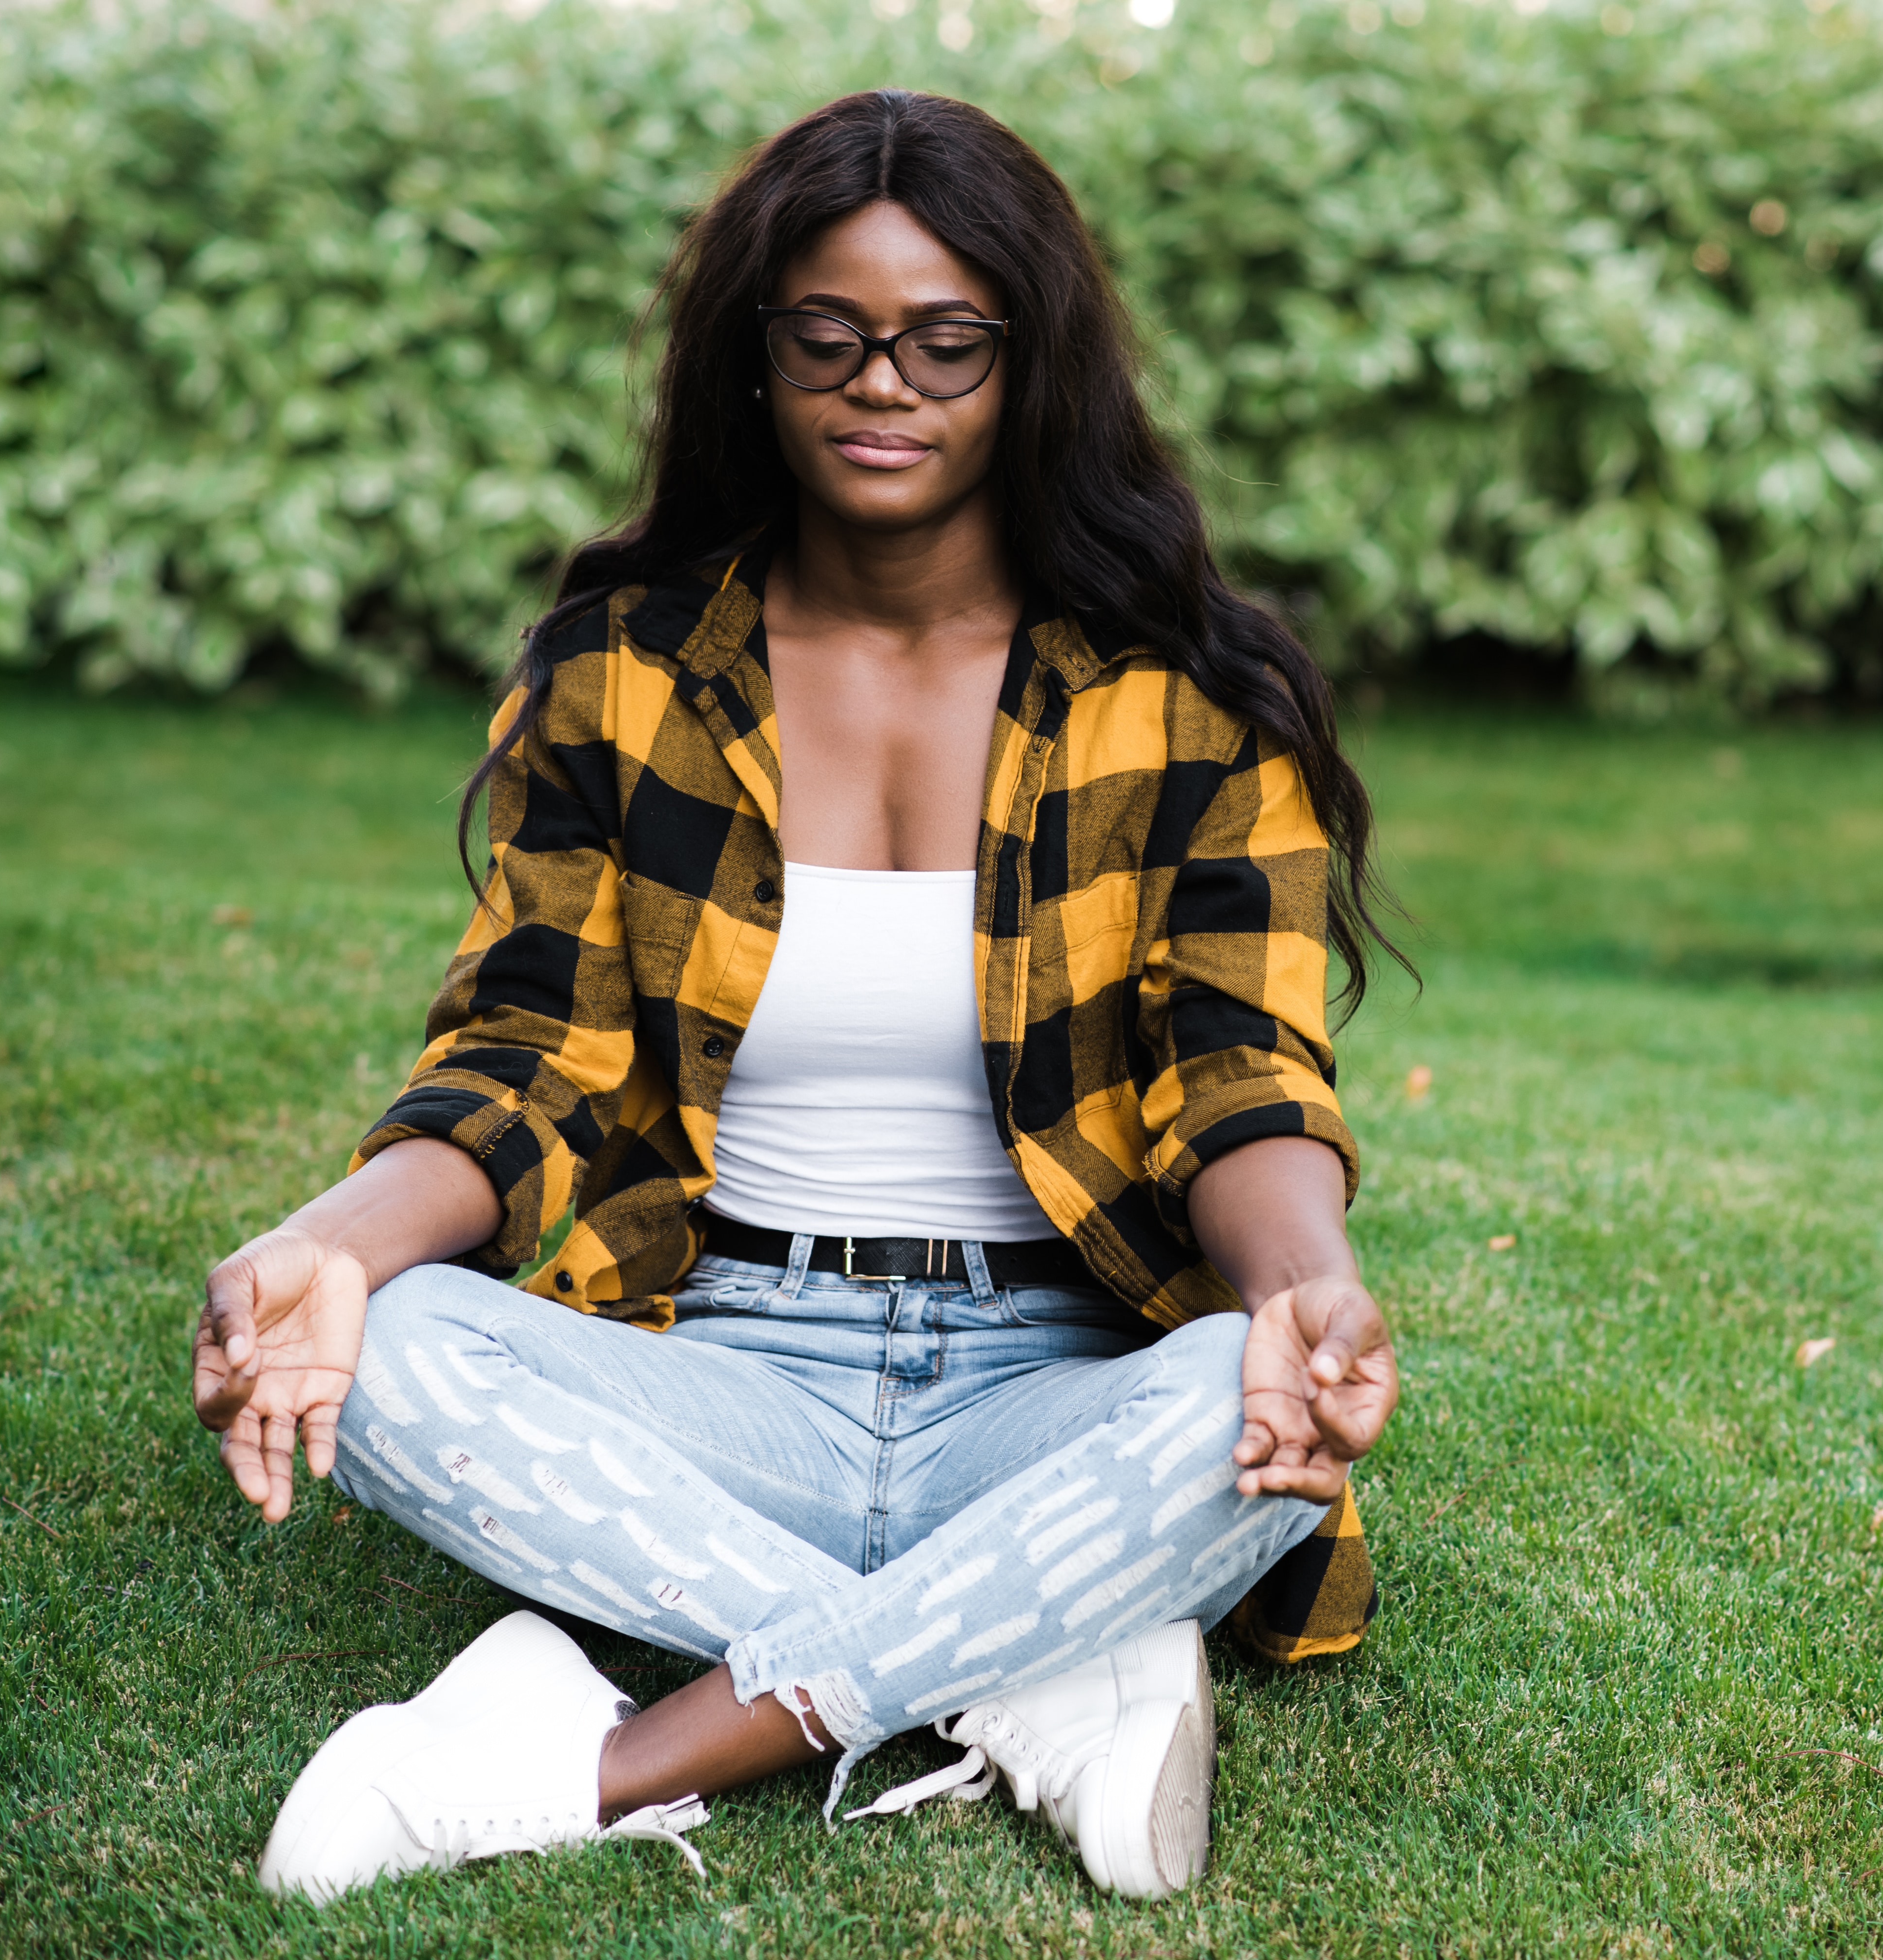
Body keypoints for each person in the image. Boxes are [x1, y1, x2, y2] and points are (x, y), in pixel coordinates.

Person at [188, 88, 1405, 1905]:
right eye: (829, 335)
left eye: (945, 342)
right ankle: (1034, 1664)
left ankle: (589, 1757)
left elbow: (1237, 1078)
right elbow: (526, 1064)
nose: (885, 383)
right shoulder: (629, 674)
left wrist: (1308, 1292)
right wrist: (333, 1245)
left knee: (1240, 1396)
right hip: (737, 1362)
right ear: (756, 358)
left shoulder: (1187, 696)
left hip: (1047, 1378)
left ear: (1029, 363)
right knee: (391, 1348)